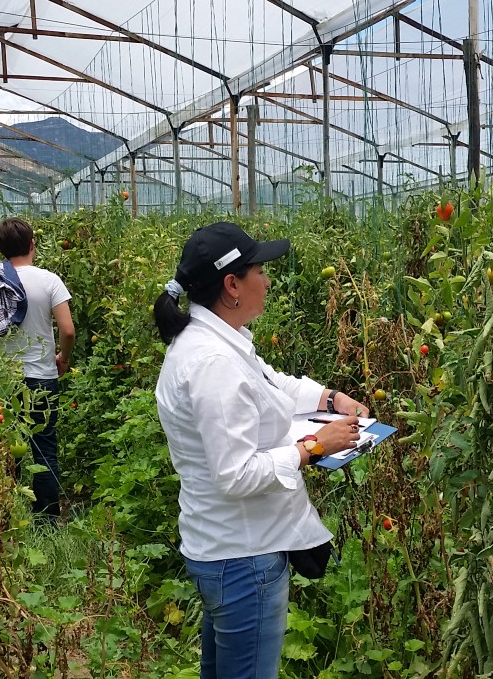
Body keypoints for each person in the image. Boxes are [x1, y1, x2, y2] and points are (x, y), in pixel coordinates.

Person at [153, 221, 369, 679]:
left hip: (223, 548)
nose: (268, 280)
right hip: (243, 559)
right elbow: (235, 474)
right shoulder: (213, 364)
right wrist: (312, 446)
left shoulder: (217, 343)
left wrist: (330, 399)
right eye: (259, 271)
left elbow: (272, 385)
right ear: (232, 285)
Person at [0, 217, 75, 520]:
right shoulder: (49, 280)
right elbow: (68, 330)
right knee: (44, 448)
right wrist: (62, 358)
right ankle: (47, 520)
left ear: (0, 248)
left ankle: (7, 514)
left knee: (5, 448)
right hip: (42, 378)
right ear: (32, 245)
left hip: (2, 380)